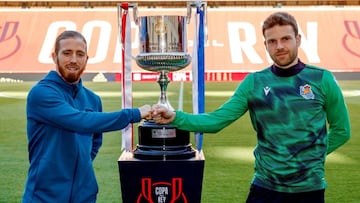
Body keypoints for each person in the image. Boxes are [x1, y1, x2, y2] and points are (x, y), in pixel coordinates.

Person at [152, 12, 351, 203]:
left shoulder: (322, 79)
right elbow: (216, 121)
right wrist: (175, 117)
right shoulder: (254, 83)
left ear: (298, 39)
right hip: (265, 189)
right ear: (265, 45)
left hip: (309, 190)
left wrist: (310, 156)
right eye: (272, 41)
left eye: (286, 39)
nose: (279, 46)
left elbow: (342, 131)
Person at [22, 30, 152, 202]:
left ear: (86, 59)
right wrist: (135, 114)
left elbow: (95, 142)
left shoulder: (93, 99)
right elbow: (81, 122)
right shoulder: (41, 93)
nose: (74, 60)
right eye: (67, 53)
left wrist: (80, 166)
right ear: (54, 57)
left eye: (80, 54)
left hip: (85, 196)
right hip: (45, 196)